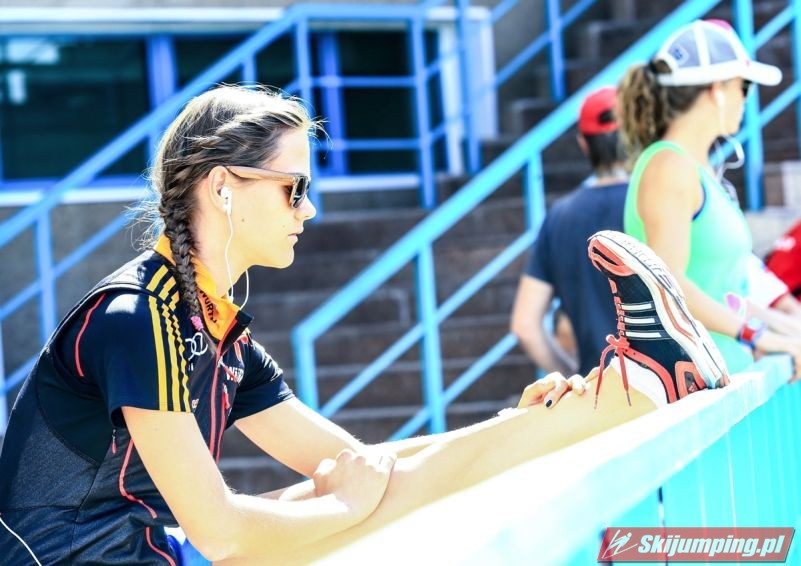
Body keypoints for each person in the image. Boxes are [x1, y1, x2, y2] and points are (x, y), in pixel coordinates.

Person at [0, 85, 726, 565]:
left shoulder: (212, 328)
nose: (309, 209)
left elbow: (364, 465)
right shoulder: (137, 319)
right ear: (222, 188)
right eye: (293, 189)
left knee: (361, 496)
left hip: (144, 549)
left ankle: (621, 400)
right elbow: (220, 531)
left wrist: (521, 423)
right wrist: (347, 502)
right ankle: (635, 392)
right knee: (343, 508)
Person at [617, 19, 801, 377]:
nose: (747, 99)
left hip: (724, 378)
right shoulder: (668, 165)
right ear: (718, 89)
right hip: (693, 386)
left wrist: (784, 327)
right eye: (744, 86)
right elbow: (668, 283)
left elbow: (723, 292)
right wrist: (758, 335)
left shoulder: (693, 168)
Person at [511, 86, 628, 377]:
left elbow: (525, 325)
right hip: (666, 388)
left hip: (599, 388)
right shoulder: (655, 204)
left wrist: (575, 376)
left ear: (583, 144)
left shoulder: (559, 217)